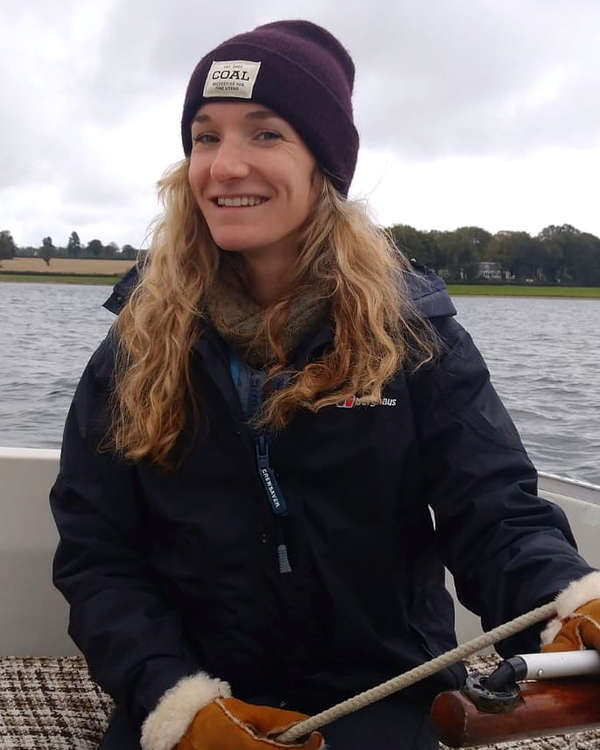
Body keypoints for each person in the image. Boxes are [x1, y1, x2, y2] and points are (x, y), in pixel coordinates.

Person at [50, 20, 600, 750]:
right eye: (206, 136)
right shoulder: (133, 345)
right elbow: (98, 556)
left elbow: (493, 512)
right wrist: (175, 703)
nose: (224, 166)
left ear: (325, 165)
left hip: (382, 699)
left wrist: (567, 602)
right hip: (193, 710)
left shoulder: (415, 337)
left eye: (266, 134)